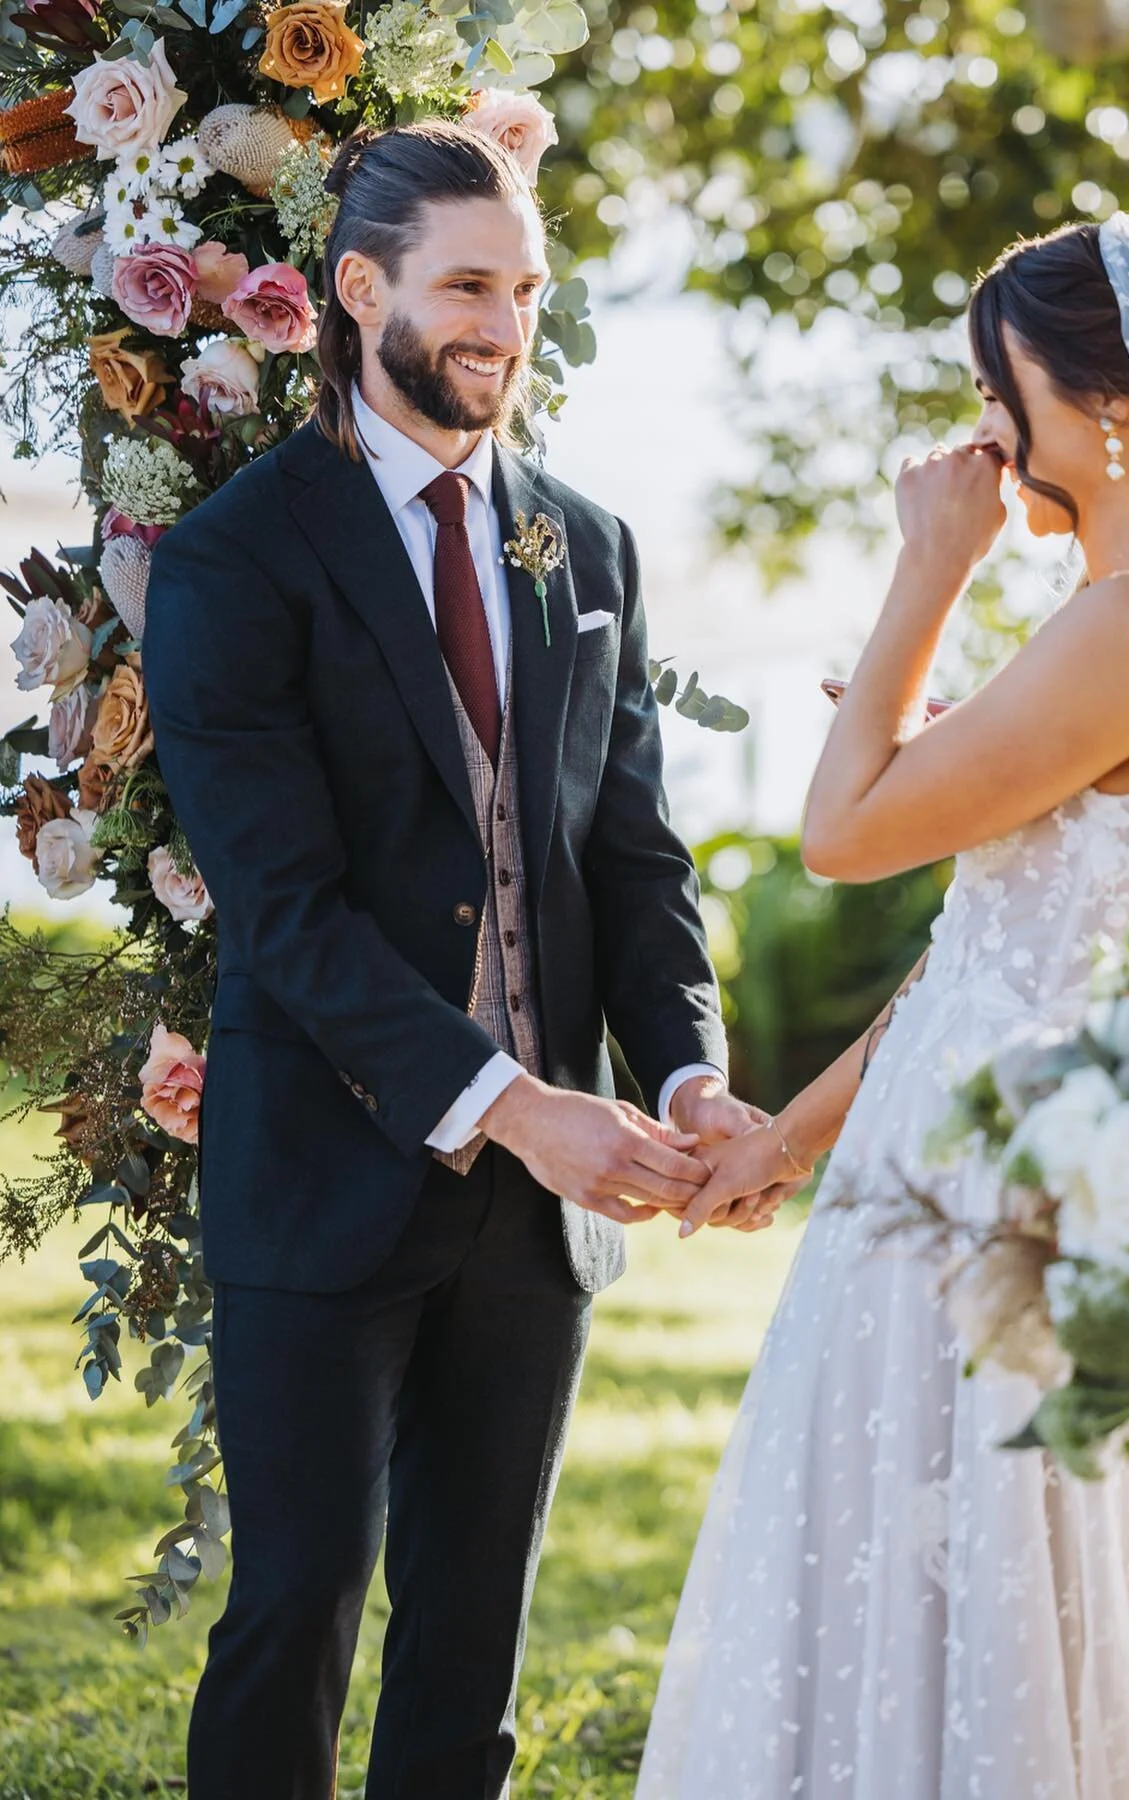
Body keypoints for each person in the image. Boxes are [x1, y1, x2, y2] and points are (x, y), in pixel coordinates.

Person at [638, 216, 1129, 1798]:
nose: (983, 430)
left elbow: (844, 834)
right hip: (979, 1191)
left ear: (1112, 404)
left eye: (999, 389)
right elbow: (998, 945)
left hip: (1002, 1222)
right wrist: (787, 1142)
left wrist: (928, 567)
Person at [144, 120, 764, 1800]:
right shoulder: (235, 559)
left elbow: (630, 861)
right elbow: (284, 911)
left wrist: (688, 1070)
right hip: (321, 1174)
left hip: (536, 1222)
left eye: (531, 289)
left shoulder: (589, 547)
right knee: (297, 1611)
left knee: (471, 1644)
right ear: (360, 291)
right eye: (470, 285)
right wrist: (513, 1101)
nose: (508, 323)